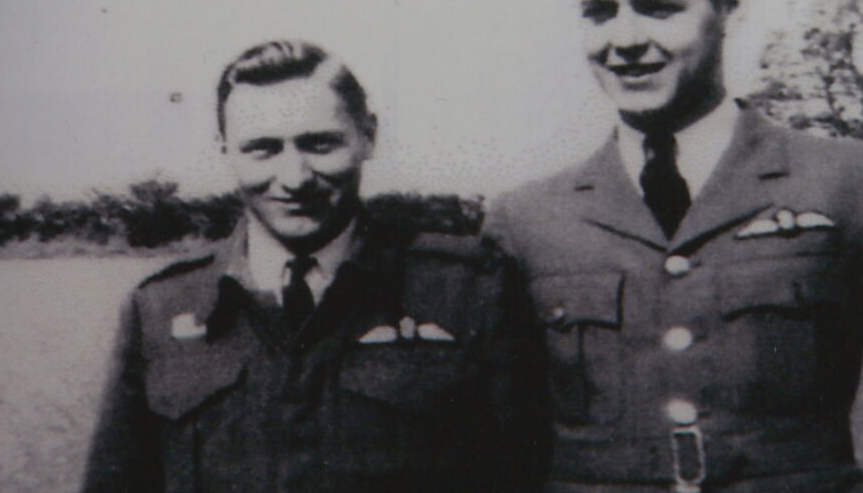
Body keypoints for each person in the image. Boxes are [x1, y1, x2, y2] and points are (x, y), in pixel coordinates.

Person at [485, 0, 863, 492]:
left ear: (731, 5)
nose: (625, 38)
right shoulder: (525, 221)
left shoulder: (855, 188)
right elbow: (495, 451)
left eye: (659, 7)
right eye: (599, 11)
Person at [82, 40, 549, 493]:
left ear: (369, 135)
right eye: (262, 148)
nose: (295, 178)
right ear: (224, 149)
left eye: (320, 144)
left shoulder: (469, 291)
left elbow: (526, 475)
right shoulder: (160, 308)